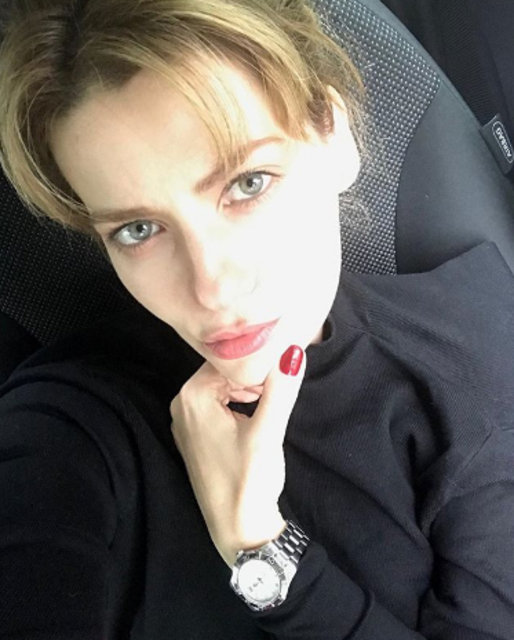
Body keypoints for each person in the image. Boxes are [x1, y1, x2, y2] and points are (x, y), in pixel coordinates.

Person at [0, 1, 513, 639]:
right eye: (138, 229)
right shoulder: (71, 422)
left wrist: (262, 551)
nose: (211, 288)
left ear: (335, 139)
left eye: (247, 183)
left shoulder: (473, 359)